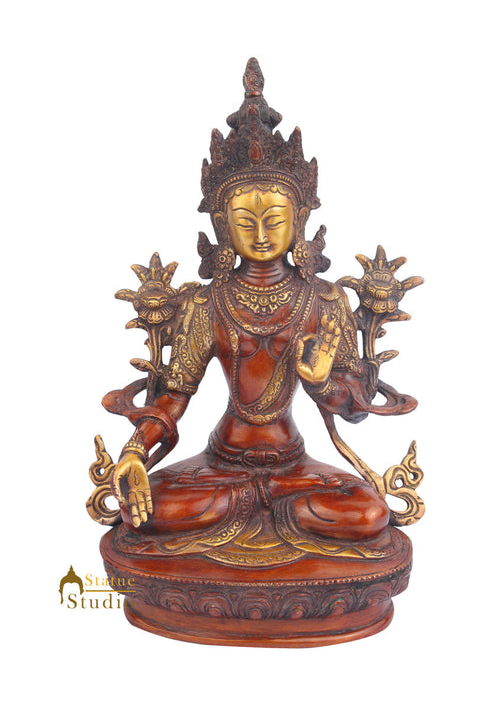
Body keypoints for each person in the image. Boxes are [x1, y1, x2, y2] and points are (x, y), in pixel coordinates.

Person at [105, 59, 417, 560]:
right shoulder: (208, 302)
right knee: (144, 509)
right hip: (220, 466)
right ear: (223, 226)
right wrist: (134, 452)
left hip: (295, 469)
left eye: (274, 218)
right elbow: (175, 395)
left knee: (367, 513)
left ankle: (263, 506)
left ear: (298, 219)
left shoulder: (323, 300)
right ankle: (264, 508)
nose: (262, 233)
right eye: (245, 220)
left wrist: (321, 382)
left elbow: (354, 409)